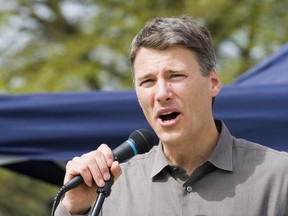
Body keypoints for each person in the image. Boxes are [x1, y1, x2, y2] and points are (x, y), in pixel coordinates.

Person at [55, 16, 288, 216]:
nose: (162, 94)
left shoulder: (279, 178)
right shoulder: (110, 189)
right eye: (147, 81)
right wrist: (75, 209)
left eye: (175, 76)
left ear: (213, 82)